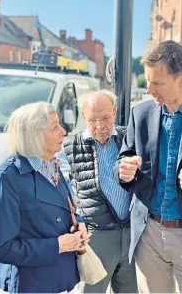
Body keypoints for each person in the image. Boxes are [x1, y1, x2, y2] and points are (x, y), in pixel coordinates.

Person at [114, 40, 182, 293]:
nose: (149, 90)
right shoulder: (140, 113)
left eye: (157, 83)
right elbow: (124, 158)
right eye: (148, 81)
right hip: (148, 234)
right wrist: (123, 169)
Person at [0, 102, 91, 293]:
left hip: (64, 280)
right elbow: (1, 248)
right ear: (34, 135)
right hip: (31, 285)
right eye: (54, 128)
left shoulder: (52, 164)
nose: (63, 131)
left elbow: (61, 210)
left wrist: (79, 224)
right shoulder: (8, 177)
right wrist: (57, 245)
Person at [61, 90, 138, 293]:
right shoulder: (69, 147)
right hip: (97, 236)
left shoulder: (129, 138)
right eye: (93, 120)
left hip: (131, 233)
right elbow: (63, 191)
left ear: (114, 112)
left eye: (105, 118)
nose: (100, 126)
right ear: (84, 116)